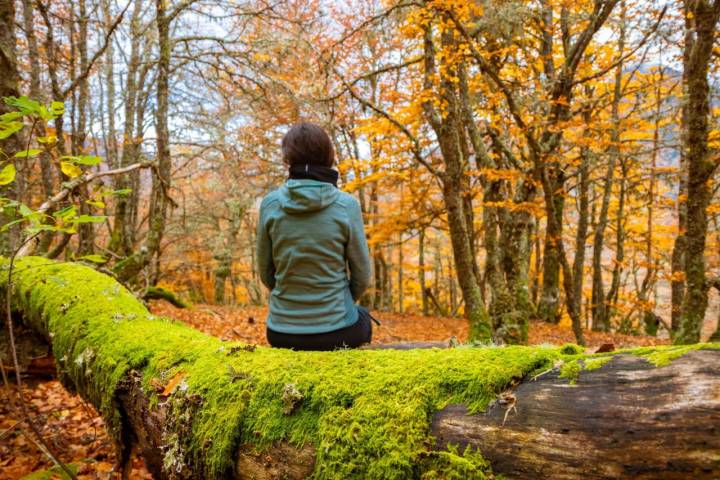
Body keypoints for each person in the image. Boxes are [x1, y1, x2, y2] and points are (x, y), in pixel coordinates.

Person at [256, 122, 375, 350]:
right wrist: (339, 302)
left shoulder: (270, 204)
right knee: (363, 317)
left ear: (288, 160)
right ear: (328, 156)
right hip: (338, 332)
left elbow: (265, 272)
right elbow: (362, 275)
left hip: (281, 332)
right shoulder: (346, 205)